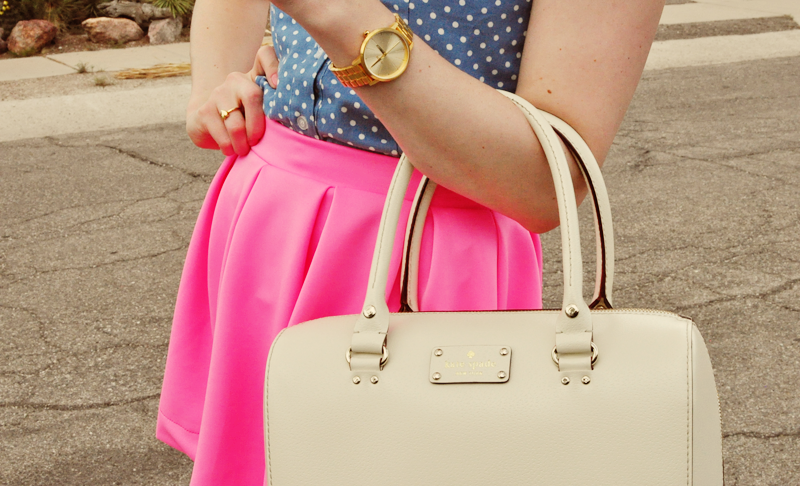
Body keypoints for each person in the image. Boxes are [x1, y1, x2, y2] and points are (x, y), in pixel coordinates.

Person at [156, 0, 664, 484]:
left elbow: (544, 183)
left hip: (430, 255)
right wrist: (213, 86)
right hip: (269, 221)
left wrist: (337, 16)